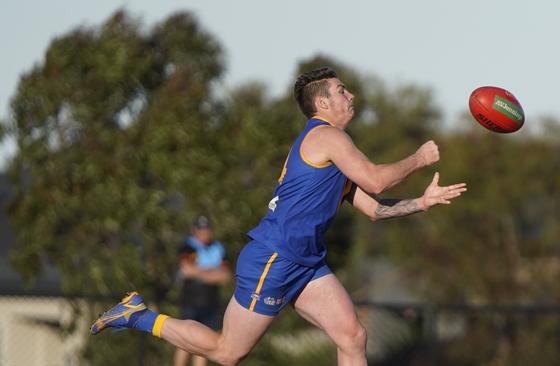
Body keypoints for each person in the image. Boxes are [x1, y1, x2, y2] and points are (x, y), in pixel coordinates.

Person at [91, 67, 467, 366]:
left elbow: (374, 208)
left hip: (305, 263)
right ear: (322, 102)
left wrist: (421, 202)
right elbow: (376, 180)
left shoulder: (336, 153)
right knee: (228, 352)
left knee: (353, 336)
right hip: (274, 257)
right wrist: (419, 158)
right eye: (341, 91)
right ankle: (137, 316)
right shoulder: (325, 137)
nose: (350, 95)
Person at [174, 215, 232, 366]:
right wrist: (213, 271)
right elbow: (187, 269)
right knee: (184, 342)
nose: (204, 234)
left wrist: (199, 272)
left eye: (207, 230)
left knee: (203, 344)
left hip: (210, 302)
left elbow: (225, 276)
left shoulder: (218, 248)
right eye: (201, 231)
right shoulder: (188, 246)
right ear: (194, 231)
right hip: (191, 301)